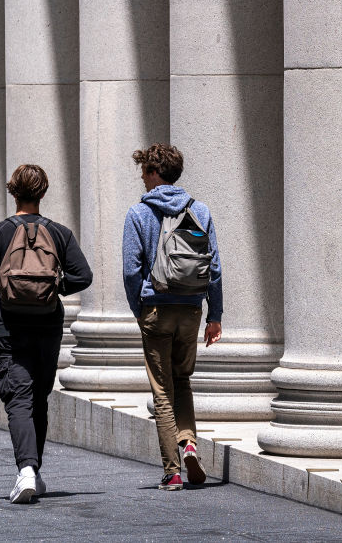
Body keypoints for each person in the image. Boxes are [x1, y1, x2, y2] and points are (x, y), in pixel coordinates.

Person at [0, 164, 93, 503]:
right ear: (43, 193)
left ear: (12, 192)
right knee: (38, 399)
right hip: (48, 327)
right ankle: (34, 471)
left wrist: (6, 284)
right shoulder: (60, 233)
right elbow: (84, 276)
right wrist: (53, 287)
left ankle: (25, 472)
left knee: (17, 398)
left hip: (10, 327)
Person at [122, 143, 223, 491]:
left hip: (156, 308)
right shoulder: (201, 211)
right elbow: (216, 270)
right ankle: (190, 442)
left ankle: (172, 471)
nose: (143, 179)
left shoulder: (138, 214)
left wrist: (140, 310)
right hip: (192, 309)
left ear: (154, 173)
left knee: (162, 391)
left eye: (144, 172)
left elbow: (131, 270)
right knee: (183, 381)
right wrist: (215, 315)